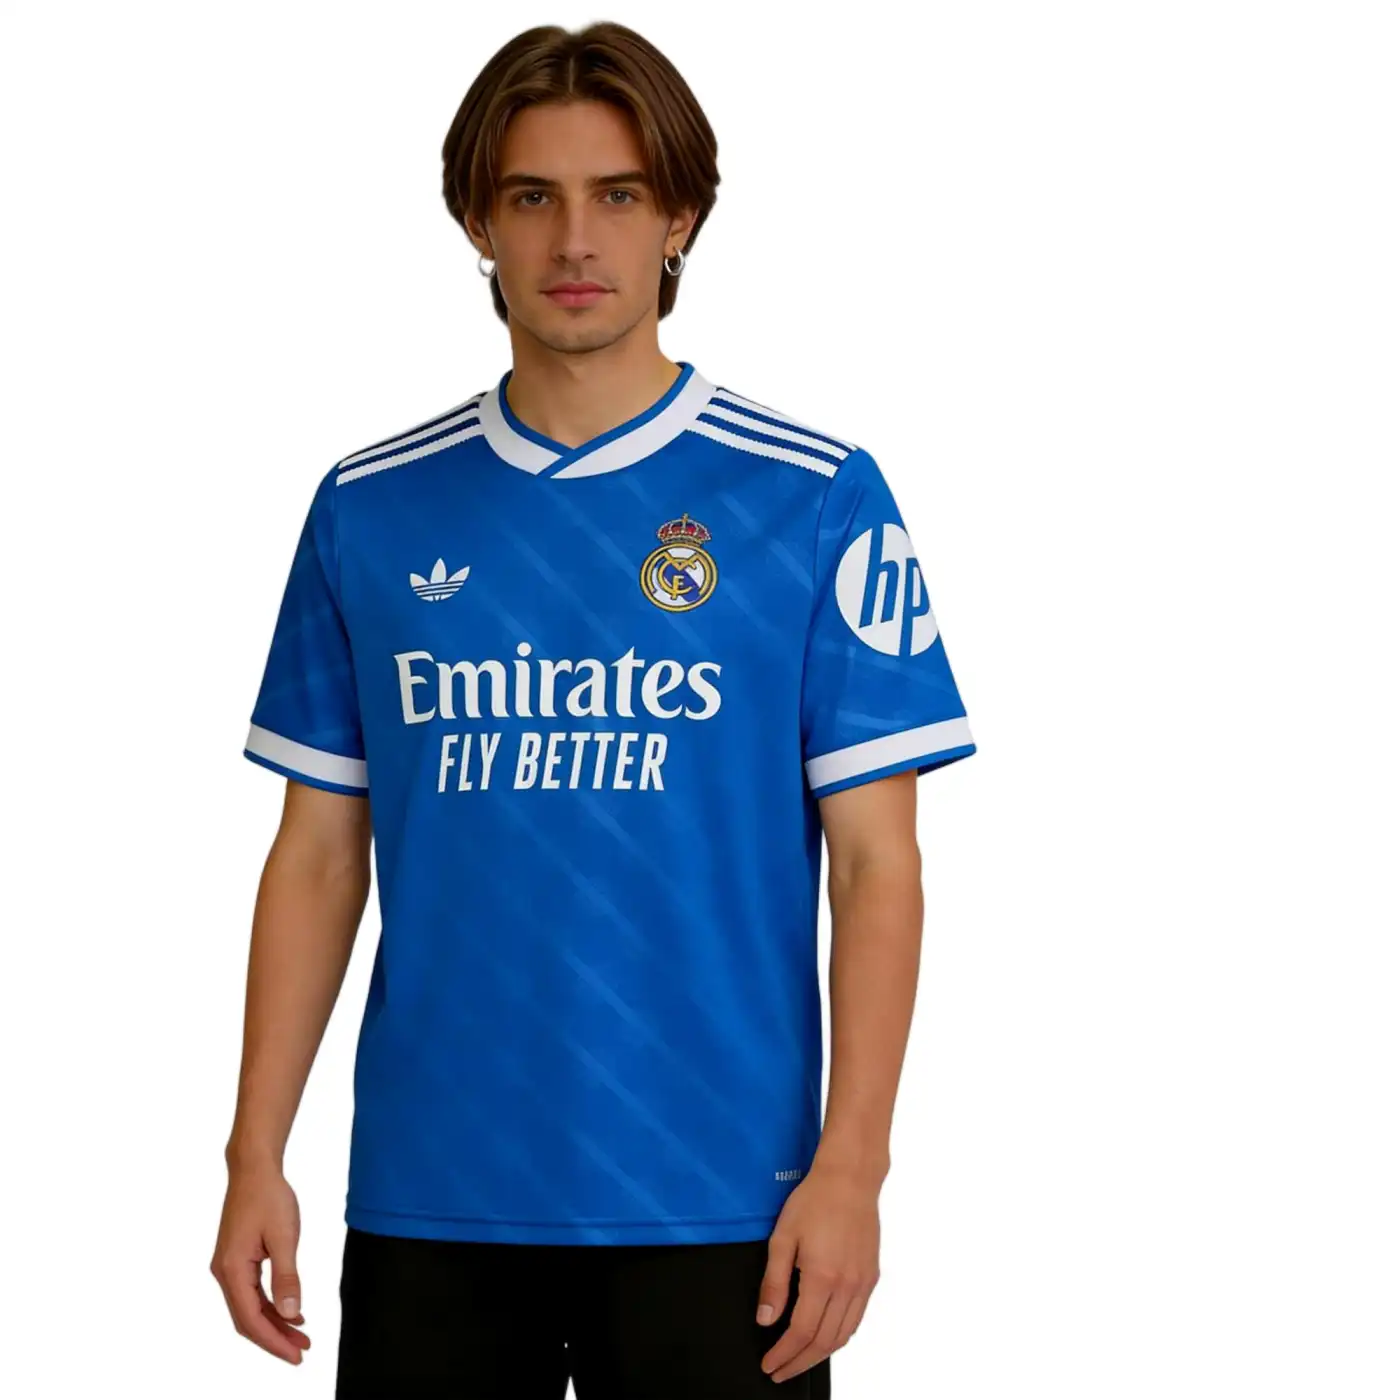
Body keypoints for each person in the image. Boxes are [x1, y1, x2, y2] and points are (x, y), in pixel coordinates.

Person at [210, 20, 976, 1398]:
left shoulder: (814, 498)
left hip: (729, 1202)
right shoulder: (370, 510)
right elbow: (318, 854)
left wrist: (853, 1168)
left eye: (619, 194)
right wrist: (253, 1151)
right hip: (434, 1193)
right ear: (476, 223)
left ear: (680, 218)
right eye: (532, 197)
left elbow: (878, 866)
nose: (575, 240)